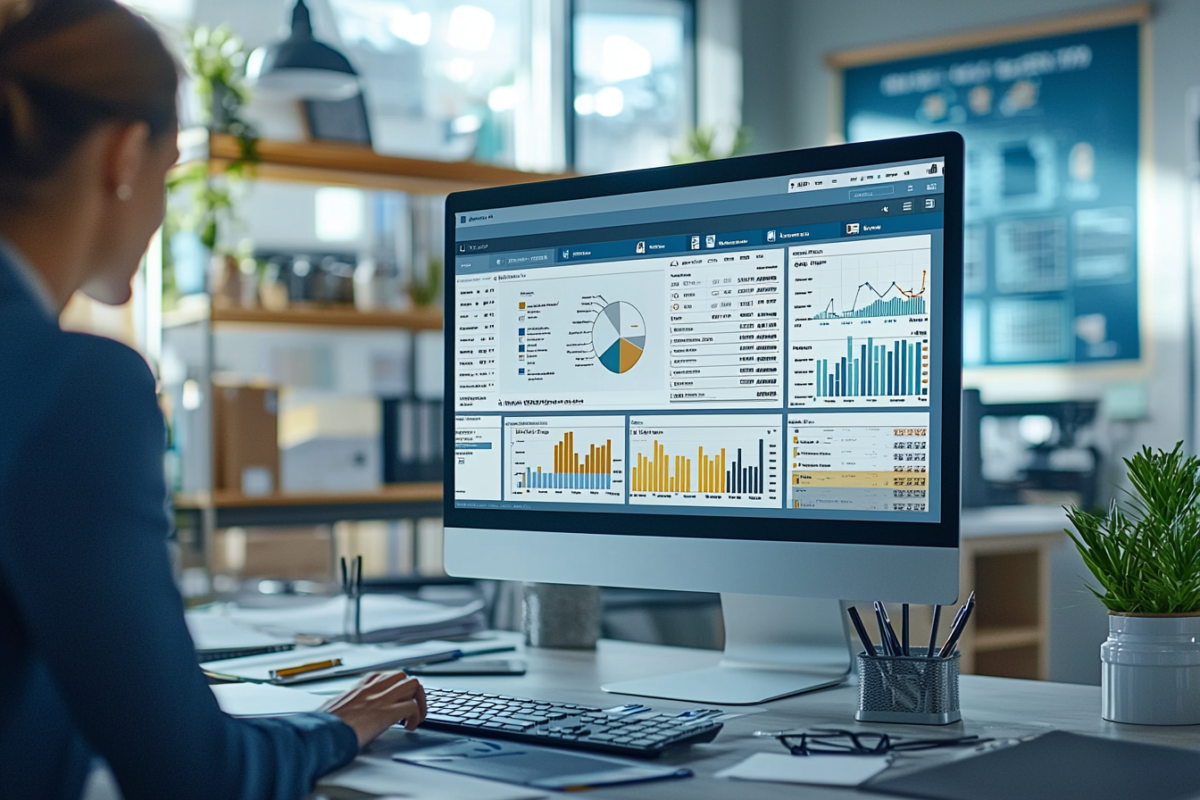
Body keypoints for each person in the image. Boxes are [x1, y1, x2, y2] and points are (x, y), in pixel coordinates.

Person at [0, 1, 427, 798]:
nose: (160, 213)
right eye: (166, 176)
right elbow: (193, 775)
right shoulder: (76, 387)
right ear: (125, 157)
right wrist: (335, 727)